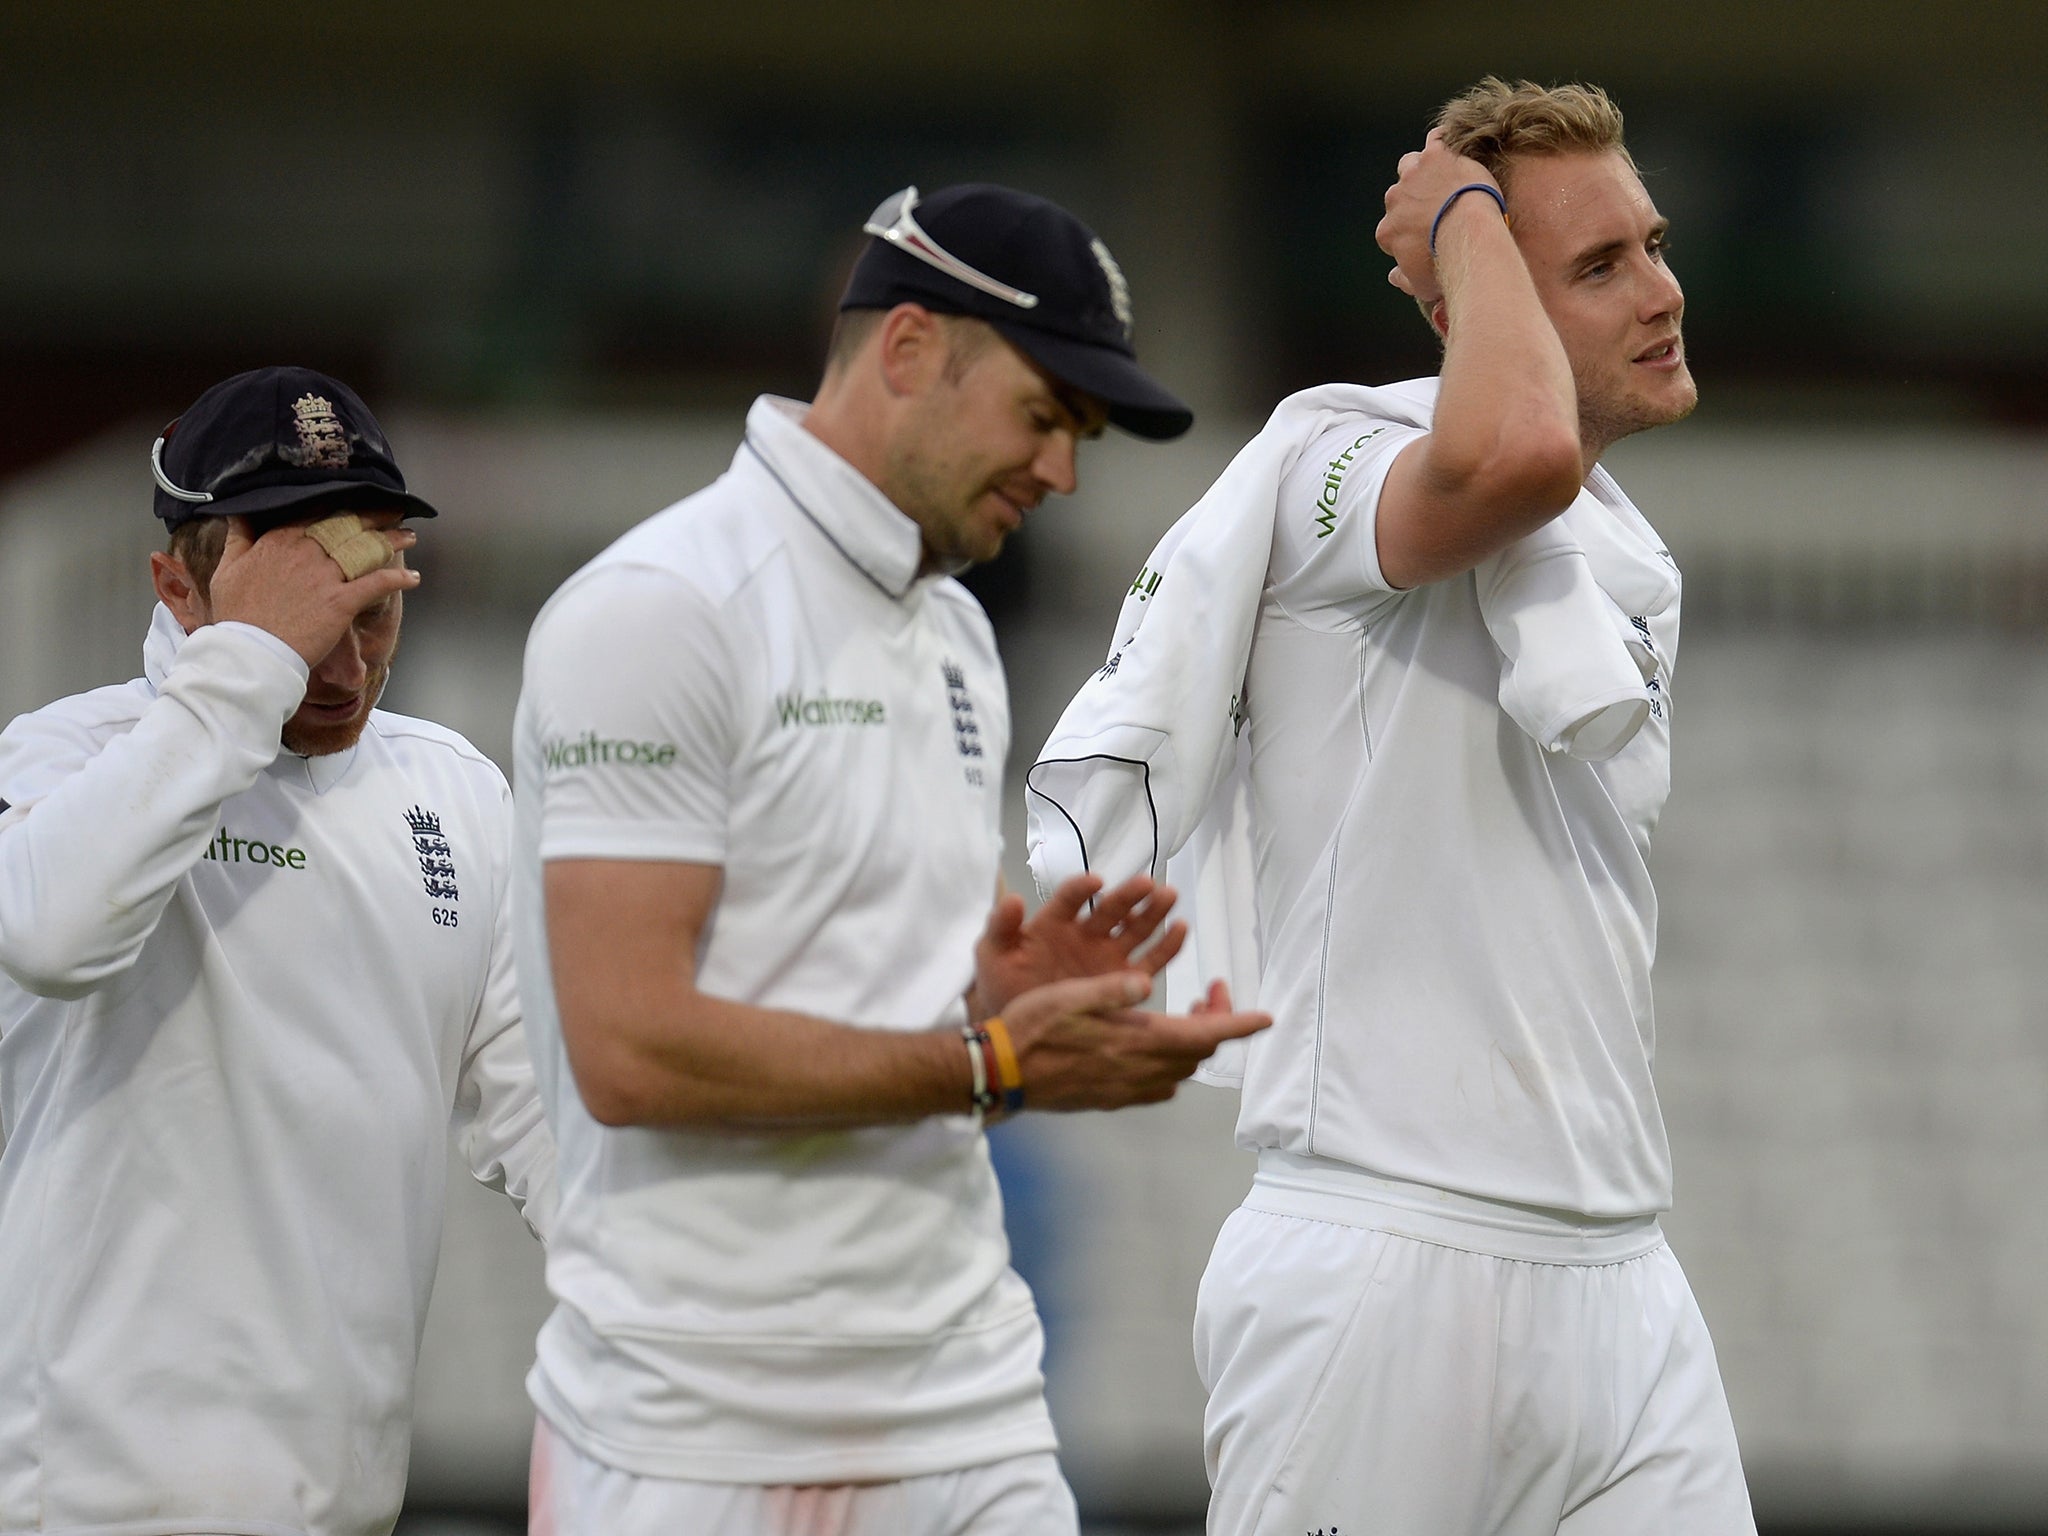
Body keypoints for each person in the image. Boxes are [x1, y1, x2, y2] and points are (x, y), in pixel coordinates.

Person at [1027, 80, 1755, 1534]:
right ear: (1470, 297)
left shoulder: (1619, 562)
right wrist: (1464, 218)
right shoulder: (1336, 464)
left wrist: (1485, 234)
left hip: (1622, 1270)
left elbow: (1536, 477)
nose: (1663, 291)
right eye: (1599, 268)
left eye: (1654, 245)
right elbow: (1507, 457)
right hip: (1385, 1263)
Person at [512, 182, 1269, 1536]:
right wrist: (993, 1063)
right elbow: (628, 1050)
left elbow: (885, 1021)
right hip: (693, 1434)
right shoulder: (660, 611)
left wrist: (996, 1007)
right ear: (910, 351)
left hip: (967, 1400)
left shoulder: (958, 637)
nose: (1063, 472)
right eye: (1045, 418)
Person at [0, 367, 556, 1535]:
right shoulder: (61, 761)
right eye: (306, 620)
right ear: (174, 585)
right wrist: (250, 664)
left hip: (346, 1509)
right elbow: (53, 935)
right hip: (84, 1510)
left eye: (374, 612)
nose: (346, 669)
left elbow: (549, 1134)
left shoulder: (450, 793)